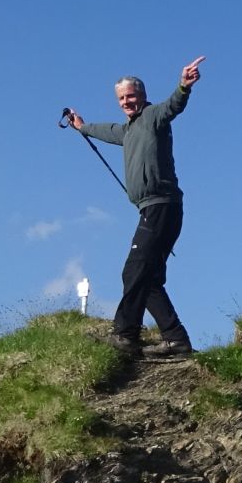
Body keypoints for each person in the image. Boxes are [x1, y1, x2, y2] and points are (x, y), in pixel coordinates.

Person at [61, 56, 204, 357]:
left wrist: (183, 86)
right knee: (147, 278)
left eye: (130, 96)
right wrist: (82, 127)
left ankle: (125, 335)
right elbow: (107, 130)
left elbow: (173, 106)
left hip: (161, 207)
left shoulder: (152, 116)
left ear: (142, 95)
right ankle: (176, 340)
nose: (126, 102)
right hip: (155, 209)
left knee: (134, 271)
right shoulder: (128, 131)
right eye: (121, 99)